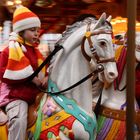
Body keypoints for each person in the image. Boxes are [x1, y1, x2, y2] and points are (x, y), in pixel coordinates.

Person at [0, 6, 49, 140]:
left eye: (37, 30)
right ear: (21, 31)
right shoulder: (9, 50)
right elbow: (3, 73)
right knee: (19, 120)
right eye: (32, 30)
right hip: (15, 96)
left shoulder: (36, 51)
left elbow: (45, 67)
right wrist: (30, 78)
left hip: (35, 95)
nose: (36, 33)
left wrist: (46, 77)